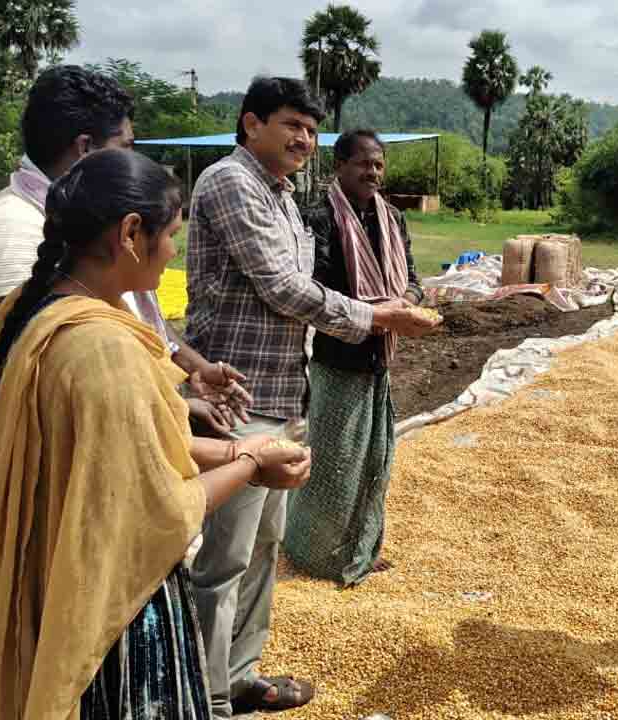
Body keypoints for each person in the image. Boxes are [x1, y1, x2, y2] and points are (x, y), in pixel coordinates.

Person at [0, 148, 311, 720]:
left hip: (50, 579)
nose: (174, 253)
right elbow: (155, 508)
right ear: (130, 234)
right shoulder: (104, 349)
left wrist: (233, 447)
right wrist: (251, 467)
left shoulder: (41, 310)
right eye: (171, 235)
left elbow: (119, 446)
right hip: (114, 612)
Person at [184, 77, 434, 717]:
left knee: (265, 545)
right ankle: (205, 696)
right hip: (237, 398)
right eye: (290, 124)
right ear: (250, 125)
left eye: (309, 128)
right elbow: (282, 287)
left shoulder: (286, 198)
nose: (303, 139)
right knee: (224, 558)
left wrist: (388, 311)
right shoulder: (230, 184)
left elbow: (298, 284)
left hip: (284, 391)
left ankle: (239, 676)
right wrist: (380, 319)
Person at [0, 64, 250, 435]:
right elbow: (58, 364)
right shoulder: (12, 231)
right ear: (85, 149)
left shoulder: (92, 217)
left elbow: (134, 319)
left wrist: (191, 366)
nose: (133, 162)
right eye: (125, 148)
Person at [289, 129, 431, 586]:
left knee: (374, 459)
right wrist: (378, 312)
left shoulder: (391, 219)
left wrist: (405, 302)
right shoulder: (321, 219)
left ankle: (360, 549)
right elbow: (317, 289)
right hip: (337, 359)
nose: (372, 172)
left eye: (378, 165)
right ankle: (314, 555)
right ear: (340, 167)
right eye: (363, 164)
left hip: (379, 361)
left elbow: (411, 276)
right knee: (333, 463)